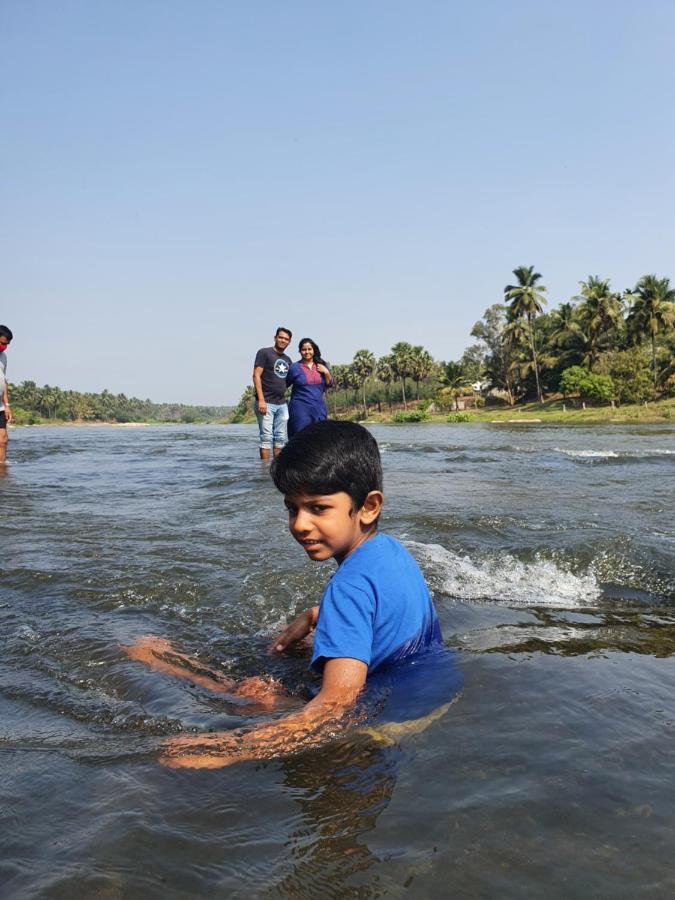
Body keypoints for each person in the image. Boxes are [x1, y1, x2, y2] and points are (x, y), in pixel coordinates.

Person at [127, 420, 454, 769]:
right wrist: (317, 616)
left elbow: (338, 706)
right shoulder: (390, 551)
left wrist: (228, 748)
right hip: (436, 695)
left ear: (369, 506)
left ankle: (167, 662)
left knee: (253, 691)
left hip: (387, 722)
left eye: (318, 508)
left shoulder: (347, 589)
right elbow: (387, 614)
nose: (299, 523)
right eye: (292, 508)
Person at [252, 327, 293, 459]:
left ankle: (277, 469)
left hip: (282, 404)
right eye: (280, 337)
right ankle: (265, 473)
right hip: (266, 403)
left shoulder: (288, 360)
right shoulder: (264, 353)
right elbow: (256, 376)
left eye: (286, 339)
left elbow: (288, 381)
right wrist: (261, 400)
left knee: (280, 439)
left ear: (289, 342)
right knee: (266, 438)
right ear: (275, 337)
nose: (283, 340)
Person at [286, 337, 332, 439]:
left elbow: (329, 384)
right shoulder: (294, 367)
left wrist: (326, 372)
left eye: (309, 349)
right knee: (300, 439)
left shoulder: (321, 366)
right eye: (304, 349)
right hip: (300, 409)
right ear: (300, 351)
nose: (307, 352)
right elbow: (284, 384)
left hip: (319, 409)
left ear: (314, 350)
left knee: (320, 440)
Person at [0, 325, 13, 465]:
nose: (5, 347)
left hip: (0, 406)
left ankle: (2, 474)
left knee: (3, 440)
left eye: (7, 344)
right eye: (3, 343)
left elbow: (4, 381)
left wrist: (7, 405)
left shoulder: (3, 357)